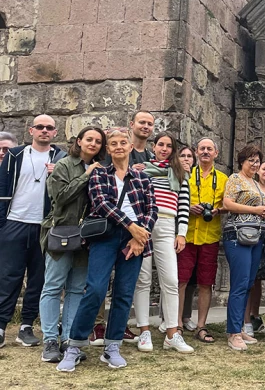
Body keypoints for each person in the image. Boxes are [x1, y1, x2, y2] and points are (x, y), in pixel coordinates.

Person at [57, 128, 157, 372]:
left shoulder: (143, 178)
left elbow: (152, 209)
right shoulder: (100, 174)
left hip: (135, 241)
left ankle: (112, 346)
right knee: (95, 289)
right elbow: (102, 204)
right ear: (108, 149)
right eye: (114, 143)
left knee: (124, 294)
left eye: (124, 142)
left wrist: (139, 237)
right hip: (106, 236)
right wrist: (132, 226)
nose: (119, 146)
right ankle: (75, 345)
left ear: (130, 147)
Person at [39, 127, 105, 362]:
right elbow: (61, 197)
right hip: (61, 232)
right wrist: (87, 176)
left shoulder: (101, 168)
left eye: (98, 141)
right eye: (89, 139)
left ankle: (68, 339)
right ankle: (49, 340)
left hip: (86, 238)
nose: (93, 144)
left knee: (77, 289)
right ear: (79, 141)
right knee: (53, 286)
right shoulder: (65, 165)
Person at [0, 115, 66, 349]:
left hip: (44, 226)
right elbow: (3, 186)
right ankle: (1, 325)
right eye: (40, 127)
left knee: (38, 279)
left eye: (49, 128)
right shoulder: (15, 154)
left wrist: (56, 173)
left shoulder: (60, 158)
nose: (44, 131)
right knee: (9, 277)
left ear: (55, 133)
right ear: (31, 131)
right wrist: (3, 223)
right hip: (14, 222)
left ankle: (26, 326)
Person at [133, 132, 193, 353]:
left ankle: (172, 333)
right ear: (154, 146)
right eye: (161, 145)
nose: (164, 149)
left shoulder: (180, 173)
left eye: (169, 146)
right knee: (143, 279)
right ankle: (144, 331)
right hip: (145, 225)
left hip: (168, 225)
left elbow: (184, 205)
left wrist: (182, 233)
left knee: (170, 279)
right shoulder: (142, 171)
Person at [177, 138, 228, 345]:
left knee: (206, 283)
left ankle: (201, 326)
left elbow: (228, 203)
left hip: (210, 235)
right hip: (187, 234)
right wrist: (189, 208)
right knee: (180, 281)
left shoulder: (224, 178)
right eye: (202, 149)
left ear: (216, 152)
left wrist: (218, 210)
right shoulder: (186, 175)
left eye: (209, 149)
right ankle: (177, 323)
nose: (205, 152)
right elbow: (175, 199)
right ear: (196, 152)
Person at [222, 145, 265, 351]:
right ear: (242, 161)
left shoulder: (255, 183)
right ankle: (233, 333)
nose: (255, 164)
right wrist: (255, 209)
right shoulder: (235, 179)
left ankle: (240, 327)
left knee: (249, 283)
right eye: (251, 160)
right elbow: (228, 204)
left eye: (257, 161)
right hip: (238, 235)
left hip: (256, 236)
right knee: (240, 283)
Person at [160, 145, 197, 333]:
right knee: (170, 278)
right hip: (164, 228)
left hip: (187, 232)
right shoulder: (164, 173)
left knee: (182, 280)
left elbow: (184, 203)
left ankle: (181, 319)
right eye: (182, 155)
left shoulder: (192, 178)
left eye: (190, 156)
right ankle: (166, 319)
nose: (186, 159)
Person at [244, 160, 265, 337]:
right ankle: (247, 320)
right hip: (253, 236)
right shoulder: (251, 188)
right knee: (251, 280)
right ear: (258, 171)